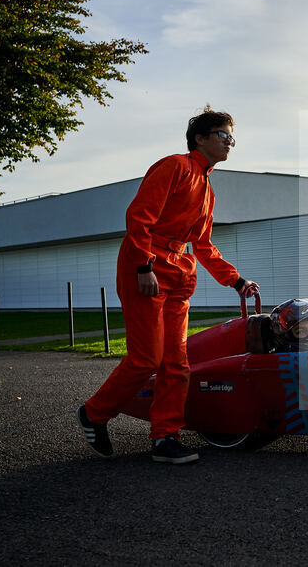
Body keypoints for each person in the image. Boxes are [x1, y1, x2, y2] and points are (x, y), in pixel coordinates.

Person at [76, 107, 259, 464]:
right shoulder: (174, 166)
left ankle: (165, 437)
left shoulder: (207, 189)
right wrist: (143, 266)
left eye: (231, 137)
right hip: (147, 266)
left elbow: (203, 245)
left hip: (180, 271)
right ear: (200, 138)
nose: (229, 143)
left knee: (177, 362)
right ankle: (93, 414)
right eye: (223, 135)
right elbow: (139, 217)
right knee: (146, 358)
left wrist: (235, 280)